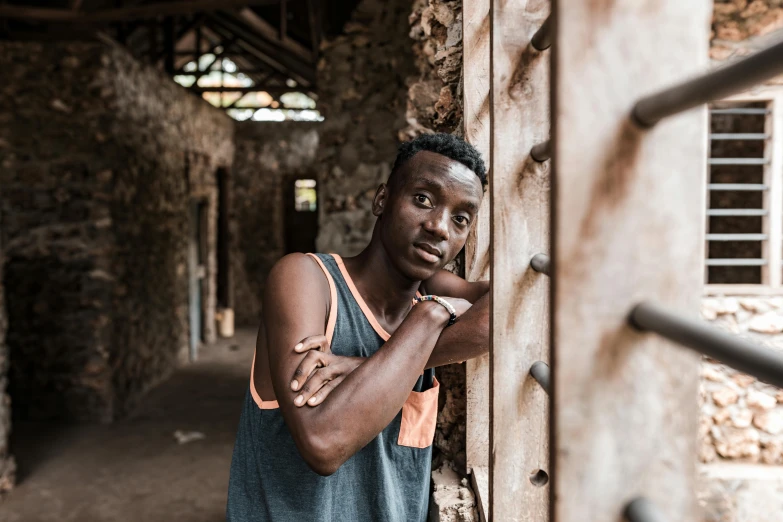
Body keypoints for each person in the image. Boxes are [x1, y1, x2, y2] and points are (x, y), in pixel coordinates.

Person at [226, 133, 490, 522]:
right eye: (422, 199)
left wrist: (359, 365)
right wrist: (429, 317)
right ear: (382, 199)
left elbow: (527, 301)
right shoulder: (307, 279)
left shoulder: (433, 292)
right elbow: (323, 443)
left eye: (460, 218)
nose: (439, 226)